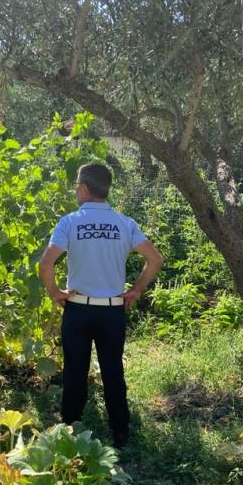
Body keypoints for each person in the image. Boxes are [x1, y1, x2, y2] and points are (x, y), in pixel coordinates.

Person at [39, 163, 163, 447]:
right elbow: (155, 259)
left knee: (74, 370)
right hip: (112, 310)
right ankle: (120, 431)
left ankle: (69, 429)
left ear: (83, 188)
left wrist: (55, 292)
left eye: (76, 187)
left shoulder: (69, 222)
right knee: (112, 370)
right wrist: (135, 290)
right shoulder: (125, 223)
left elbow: (46, 264)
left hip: (78, 309)